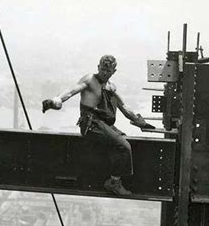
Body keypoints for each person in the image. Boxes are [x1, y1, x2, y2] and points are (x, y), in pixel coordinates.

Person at [42, 55, 154, 196]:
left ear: (114, 71)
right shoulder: (90, 80)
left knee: (123, 141)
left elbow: (124, 107)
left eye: (108, 71)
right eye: (102, 69)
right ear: (98, 67)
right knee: (124, 146)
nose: (104, 73)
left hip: (103, 125)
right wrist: (55, 101)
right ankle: (113, 182)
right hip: (91, 124)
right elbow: (70, 92)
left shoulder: (111, 87)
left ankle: (113, 175)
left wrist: (140, 122)